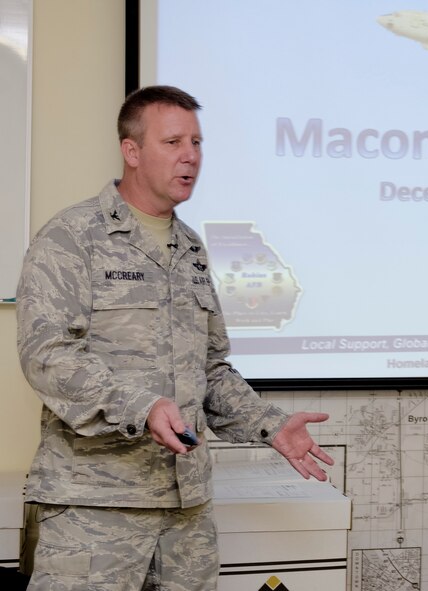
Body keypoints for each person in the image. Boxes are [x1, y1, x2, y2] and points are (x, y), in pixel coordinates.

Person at [16, 85, 334, 590]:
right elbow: (46, 355)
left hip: (186, 509)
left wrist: (269, 425)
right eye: (173, 142)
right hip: (96, 509)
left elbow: (210, 368)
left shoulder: (191, 248)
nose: (190, 156)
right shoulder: (72, 237)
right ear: (132, 150)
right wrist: (141, 406)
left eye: (198, 142)